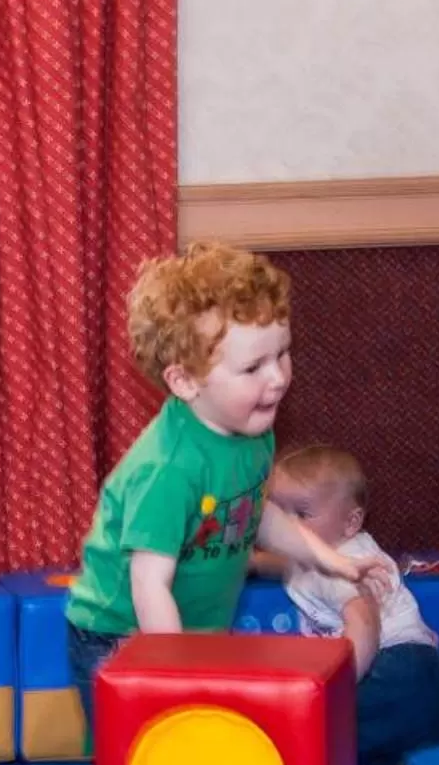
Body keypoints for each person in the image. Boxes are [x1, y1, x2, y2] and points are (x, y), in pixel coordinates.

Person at [63, 242, 392, 731]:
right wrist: (172, 674)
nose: (278, 378)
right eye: (253, 368)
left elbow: (256, 512)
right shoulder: (168, 469)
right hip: (121, 634)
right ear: (186, 382)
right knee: (150, 752)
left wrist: (331, 560)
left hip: (192, 629)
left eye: (282, 354)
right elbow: (149, 583)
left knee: (199, 746)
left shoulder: (251, 433)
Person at [265, 444, 439, 765]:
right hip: (429, 681)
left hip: (393, 668)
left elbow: (364, 622)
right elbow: (283, 564)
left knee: (312, 727)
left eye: (301, 513)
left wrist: (335, 686)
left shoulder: (342, 566)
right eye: (277, 512)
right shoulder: (318, 553)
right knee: (366, 752)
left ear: (351, 523)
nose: (287, 526)